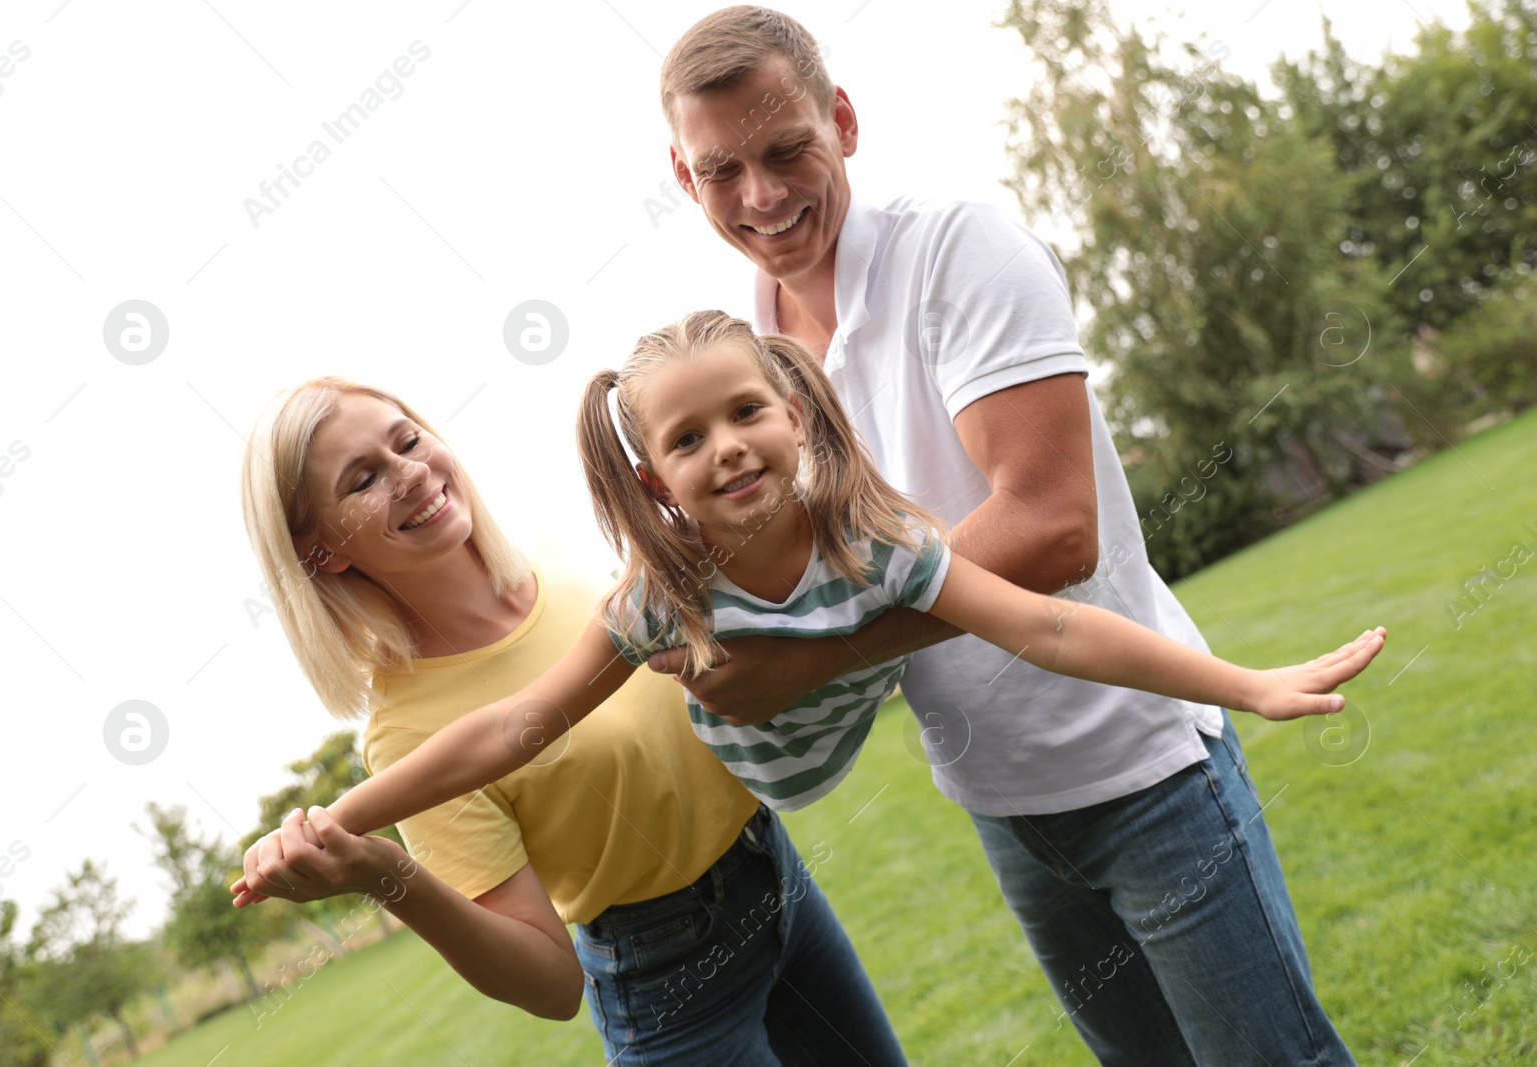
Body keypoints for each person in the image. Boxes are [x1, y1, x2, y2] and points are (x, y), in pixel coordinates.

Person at [645, 7, 1371, 1064]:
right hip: (999, 798)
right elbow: (806, 567)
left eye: (787, 148)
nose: (761, 195)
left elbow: (1051, 525)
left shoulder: (954, 248)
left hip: (1139, 763)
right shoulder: (747, 364)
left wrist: (808, 660)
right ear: (683, 175)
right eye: (722, 170)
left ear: (841, 120)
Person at [313, 311, 1381, 853]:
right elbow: (514, 727)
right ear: (655, 477)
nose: (727, 448)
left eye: (744, 413)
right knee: (649, 681)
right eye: (688, 438)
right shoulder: (659, 593)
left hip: (829, 721)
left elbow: (1047, 628)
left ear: (793, 412)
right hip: (738, 766)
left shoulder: (873, 544)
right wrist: (345, 817)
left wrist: (1239, 682)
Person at [230, 376, 911, 1067]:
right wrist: (384, 872)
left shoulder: (549, 552)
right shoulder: (405, 732)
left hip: (776, 873)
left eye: (406, 440)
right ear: (321, 551)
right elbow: (552, 985)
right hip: (672, 987)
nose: (410, 473)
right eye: (363, 479)